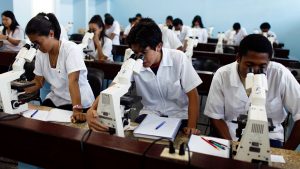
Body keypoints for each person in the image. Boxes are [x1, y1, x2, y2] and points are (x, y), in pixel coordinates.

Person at [86, 18, 202, 135]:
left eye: (144, 53)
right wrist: (92, 110)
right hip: (150, 116)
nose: (139, 58)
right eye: (135, 52)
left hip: (179, 116)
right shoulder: (133, 61)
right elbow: (113, 87)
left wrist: (191, 127)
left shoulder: (178, 58)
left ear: (159, 46)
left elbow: (193, 96)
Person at [204, 34, 300, 149]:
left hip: (269, 134)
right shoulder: (223, 75)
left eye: (262, 66)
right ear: (238, 58)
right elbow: (215, 115)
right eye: (249, 65)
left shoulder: (280, 74)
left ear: (269, 61)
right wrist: (232, 148)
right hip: (230, 132)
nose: (255, 71)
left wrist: (286, 154)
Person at [24, 13, 95, 123]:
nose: (36, 46)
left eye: (38, 42)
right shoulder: (40, 53)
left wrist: (77, 109)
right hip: (56, 99)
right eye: (33, 43)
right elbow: (38, 82)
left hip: (78, 101)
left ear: (51, 34)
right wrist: (20, 90)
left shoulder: (70, 49)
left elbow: (73, 81)